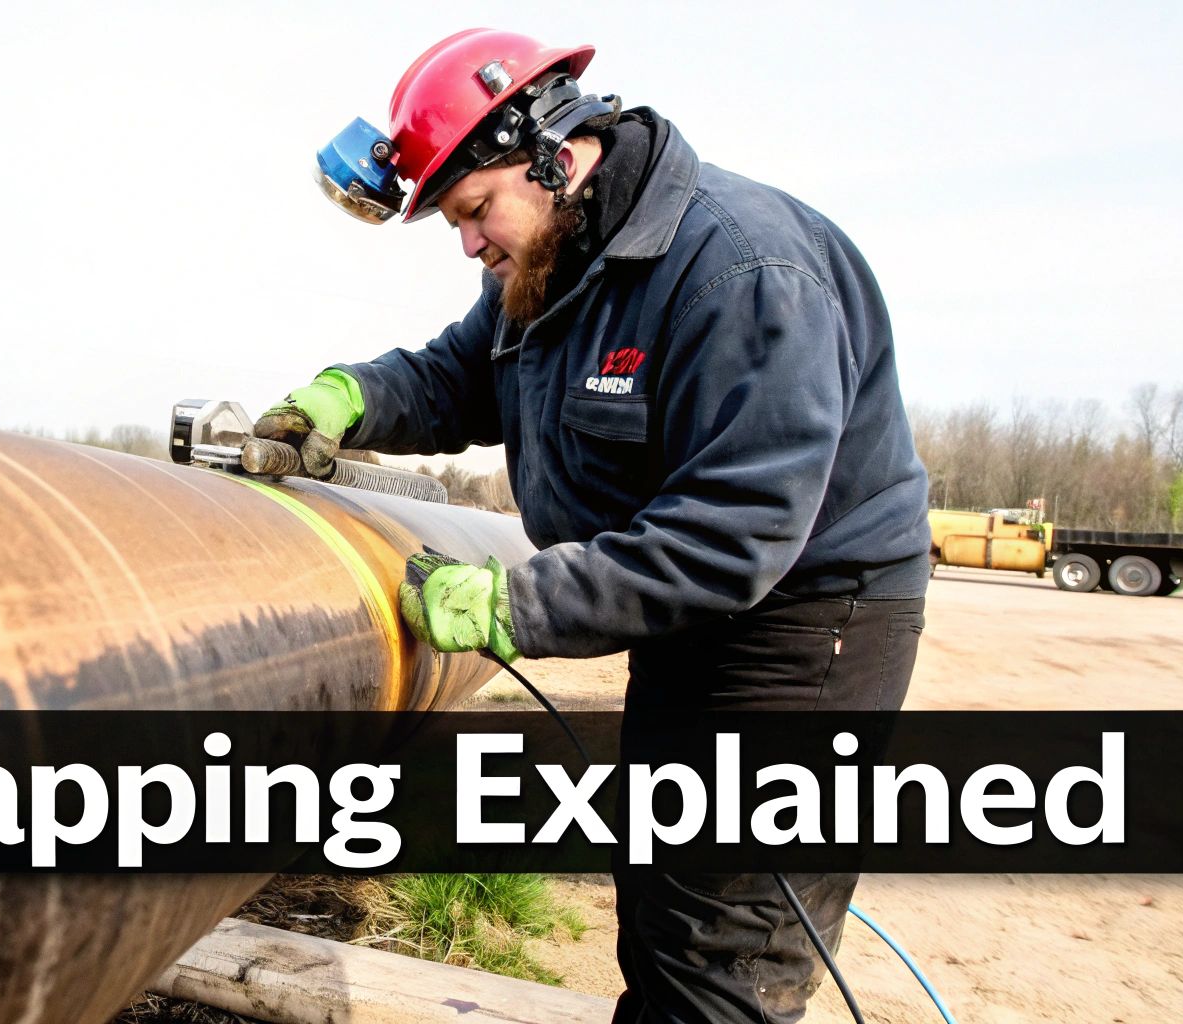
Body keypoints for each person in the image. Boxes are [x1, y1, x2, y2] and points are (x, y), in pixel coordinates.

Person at [258, 28, 932, 1023]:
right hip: (690, 614)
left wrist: (511, 601)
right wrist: (345, 397)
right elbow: (454, 374)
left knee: (725, 941)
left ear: (550, 155)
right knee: (663, 898)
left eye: (473, 212)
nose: (471, 244)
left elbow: (729, 535)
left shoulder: (739, 273)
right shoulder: (555, 266)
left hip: (802, 628)